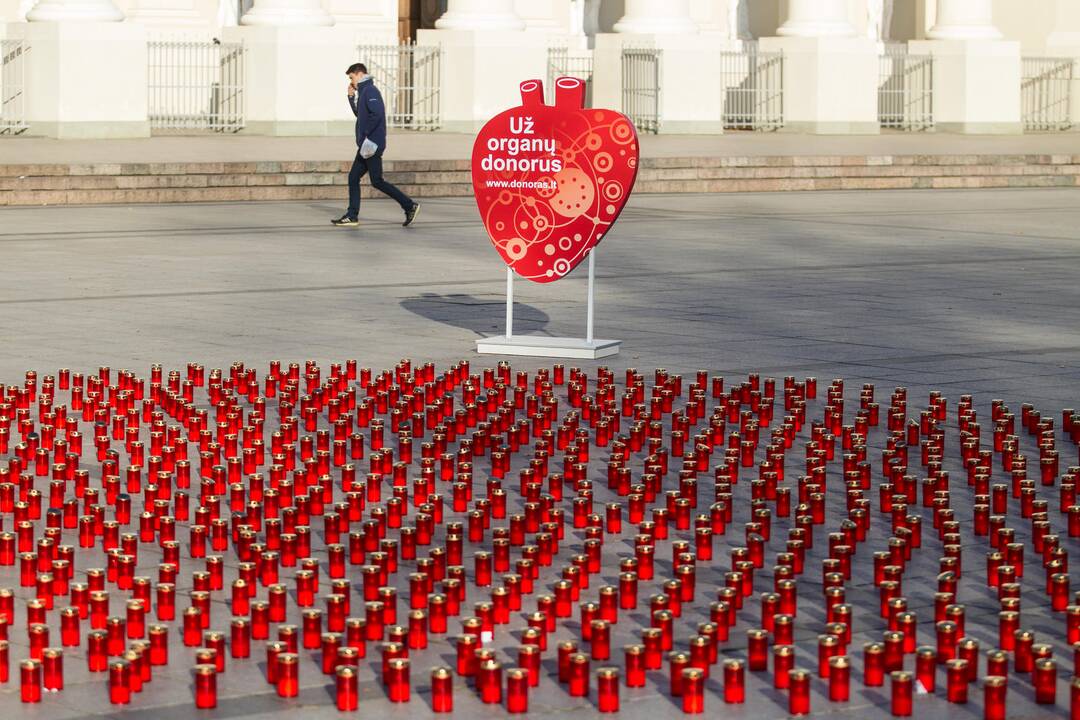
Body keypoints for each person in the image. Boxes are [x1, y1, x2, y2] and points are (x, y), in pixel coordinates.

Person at [333, 62, 420, 228]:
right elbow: (361, 114)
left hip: (371, 144)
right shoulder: (364, 91)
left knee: (377, 181)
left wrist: (365, 134)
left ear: (359, 74)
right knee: (356, 178)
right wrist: (351, 98)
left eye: (351, 78)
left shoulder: (370, 90)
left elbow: (377, 113)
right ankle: (352, 215)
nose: (351, 82)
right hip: (368, 144)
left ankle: (409, 205)